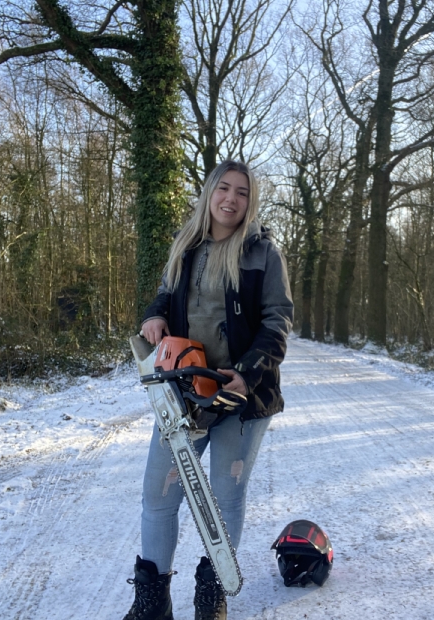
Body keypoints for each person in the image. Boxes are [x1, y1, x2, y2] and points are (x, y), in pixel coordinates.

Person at [124, 160, 293, 620]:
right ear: (209, 193)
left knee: (226, 495)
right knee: (159, 497)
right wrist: (155, 314)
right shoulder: (186, 245)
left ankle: (210, 594)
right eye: (224, 189)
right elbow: (164, 292)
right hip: (183, 390)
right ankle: (151, 603)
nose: (231, 199)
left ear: (250, 200)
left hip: (241, 394)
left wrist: (248, 372)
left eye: (242, 192)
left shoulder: (263, 253)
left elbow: (278, 320)